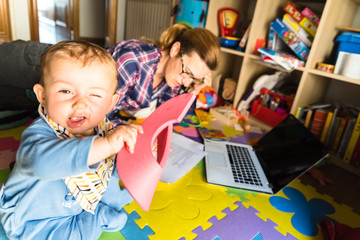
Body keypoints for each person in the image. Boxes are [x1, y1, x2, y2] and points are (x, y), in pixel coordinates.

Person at [0, 40, 143, 240]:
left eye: (95, 95)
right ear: (42, 96)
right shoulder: (38, 135)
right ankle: (96, 218)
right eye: (66, 91)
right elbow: (42, 162)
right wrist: (108, 145)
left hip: (72, 206)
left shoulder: (105, 129)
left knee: (116, 180)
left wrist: (139, 148)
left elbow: (112, 169)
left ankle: (97, 212)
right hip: (34, 218)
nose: (81, 103)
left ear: (111, 103)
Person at [106, 23, 220, 126]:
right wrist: (124, 131)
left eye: (194, 78)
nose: (186, 82)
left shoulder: (175, 77)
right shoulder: (132, 61)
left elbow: (168, 117)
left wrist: (194, 92)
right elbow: (100, 114)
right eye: (188, 72)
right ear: (175, 50)